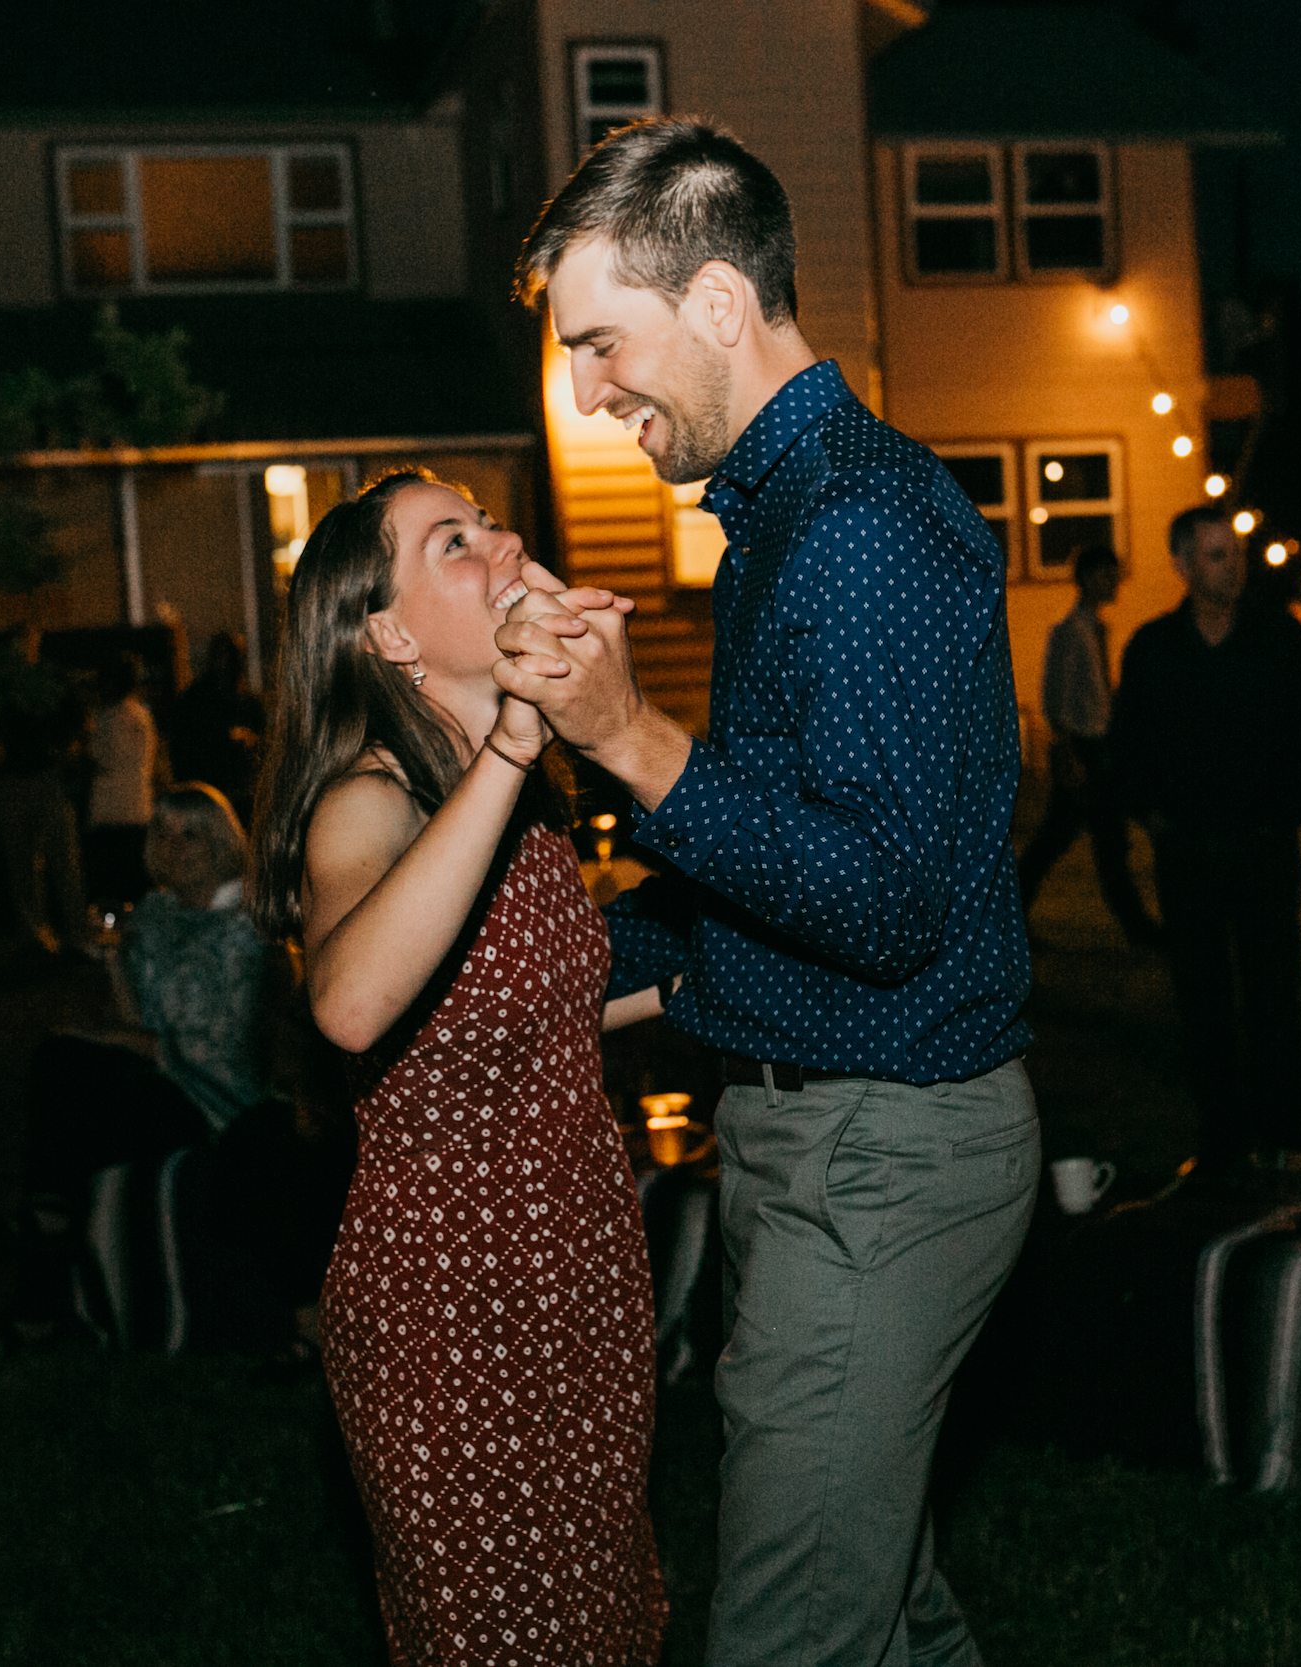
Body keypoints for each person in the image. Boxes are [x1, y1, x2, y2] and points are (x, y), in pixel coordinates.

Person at [501, 119, 1038, 1665]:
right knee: (885, 1615)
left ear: (721, 302)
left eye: (603, 341)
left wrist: (631, 738)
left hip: (883, 1149)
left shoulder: (859, 526)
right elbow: (759, 884)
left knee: (788, 1632)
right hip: (822, 1139)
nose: (590, 392)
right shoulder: (786, 519)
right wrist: (520, 991)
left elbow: (880, 902)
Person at [250, 470, 668, 1663]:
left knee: (602, 1625)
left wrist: (698, 985)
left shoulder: (515, 807)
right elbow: (351, 1004)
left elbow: (538, 1014)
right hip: (452, 1302)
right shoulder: (364, 806)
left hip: (578, 1277)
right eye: (453, 539)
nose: (502, 539)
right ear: (385, 632)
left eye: (489, 520)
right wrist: (514, 737)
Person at [0, 784, 304, 1354]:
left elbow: (221, 1049)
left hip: (220, 1100)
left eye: (193, 834)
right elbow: (138, 1019)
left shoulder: (247, 928)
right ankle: (49, 1238)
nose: (177, 846)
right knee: (73, 1074)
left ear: (223, 843)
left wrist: (112, 1041)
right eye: (163, 832)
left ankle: (42, 1233)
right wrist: (116, 960)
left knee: (68, 1065)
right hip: (165, 1086)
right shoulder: (156, 916)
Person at [1112, 504, 1301, 1195]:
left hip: (1262, 851)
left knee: (1272, 994)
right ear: (1183, 565)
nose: (1232, 567)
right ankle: (1222, 1139)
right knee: (1203, 999)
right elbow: (1129, 747)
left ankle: (1285, 1137)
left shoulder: (1279, 641)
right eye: (1216, 555)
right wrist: (1155, 815)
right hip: (1187, 856)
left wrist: (1285, 813)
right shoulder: (1154, 648)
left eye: (1236, 553)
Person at [1018, 548, 1161, 944]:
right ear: (1087, 579)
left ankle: (1138, 927)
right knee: (1093, 841)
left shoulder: (1095, 629)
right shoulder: (1069, 633)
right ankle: (1139, 928)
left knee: (1075, 839)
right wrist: (1068, 754)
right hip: (1084, 749)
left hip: (1098, 746)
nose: (1114, 583)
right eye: (1107, 575)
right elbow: (1055, 698)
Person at [0, 634, 92, 956]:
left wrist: (62, 749)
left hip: (43, 775)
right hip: (16, 777)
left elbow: (77, 717)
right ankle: (37, 934)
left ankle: (73, 933)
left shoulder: (50, 682)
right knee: (23, 861)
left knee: (61, 858)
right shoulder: (2, 687)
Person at [85, 652, 160, 908]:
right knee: (137, 886)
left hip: (111, 813)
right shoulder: (142, 715)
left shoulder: (108, 717)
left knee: (111, 890)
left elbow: (102, 759)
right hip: (138, 808)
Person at [167, 632, 266, 821]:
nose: (224, 663)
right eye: (220, 656)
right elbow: (185, 745)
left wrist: (250, 740)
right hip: (207, 792)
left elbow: (263, 740)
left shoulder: (247, 701)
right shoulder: (196, 701)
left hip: (240, 793)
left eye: (229, 656)